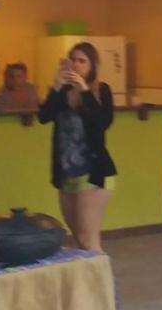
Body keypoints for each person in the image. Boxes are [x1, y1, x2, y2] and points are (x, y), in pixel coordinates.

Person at [37, 42, 116, 252]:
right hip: (65, 173)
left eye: (82, 61)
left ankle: (102, 284)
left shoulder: (101, 90)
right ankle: (89, 284)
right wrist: (55, 87)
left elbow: (102, 123)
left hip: (93, 172)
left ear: (93, 65)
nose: (76, 65)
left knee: (88, 240)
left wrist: (84, 92)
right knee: (79, 241)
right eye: (72, 59)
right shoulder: (62, 92)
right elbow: (44, 117)